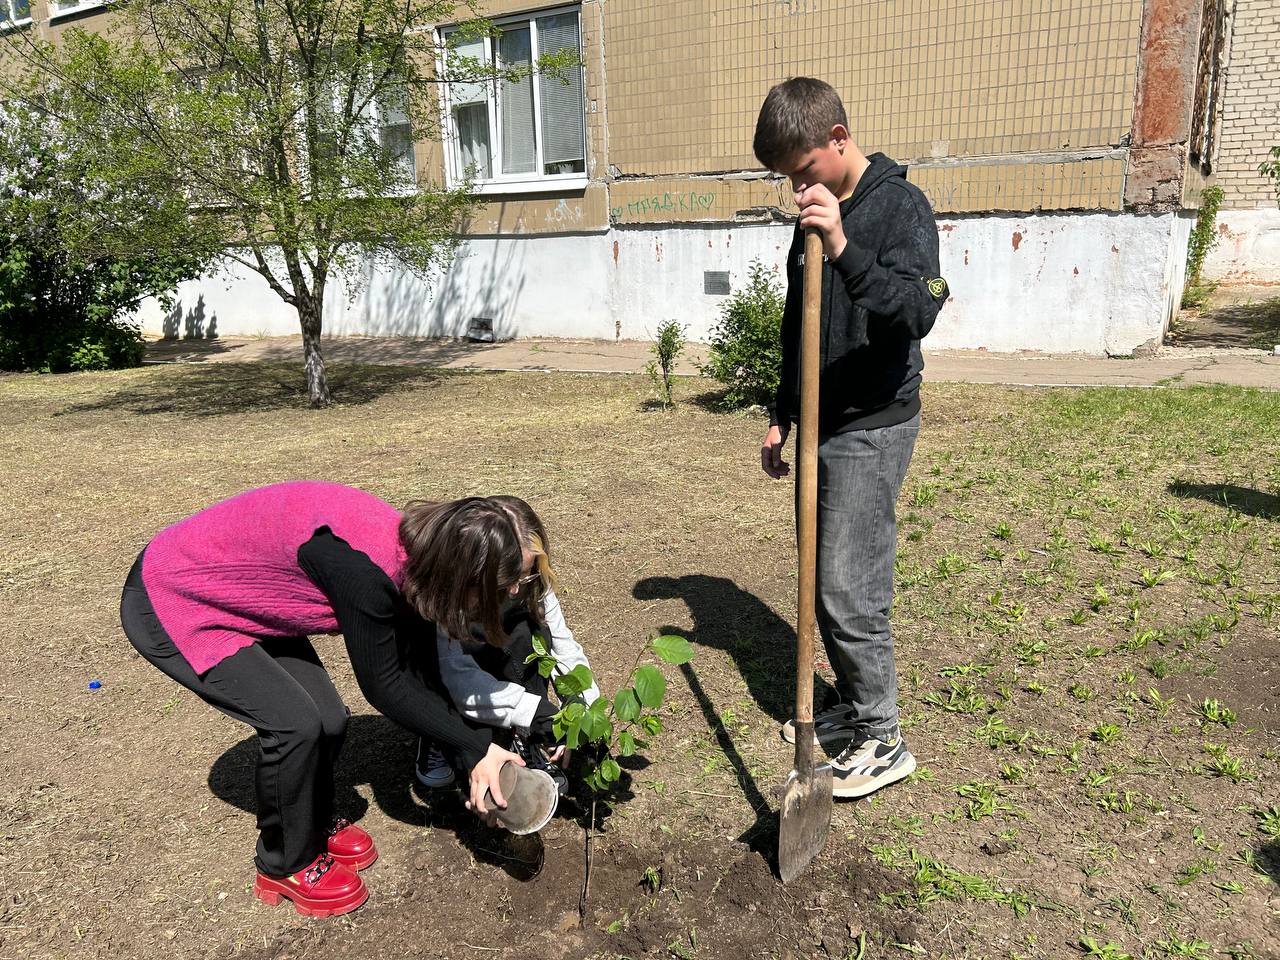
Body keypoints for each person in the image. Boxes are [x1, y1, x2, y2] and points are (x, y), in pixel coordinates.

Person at [119, 480, 535, 917]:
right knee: (294, 724)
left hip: (248, 594)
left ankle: (311, 820)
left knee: (330, 719)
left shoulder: (422, 562)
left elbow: (421, 673)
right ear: (462, 575)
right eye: (500, 586)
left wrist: (473, 754)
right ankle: (284, 863)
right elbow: (387, 686)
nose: (511, 594)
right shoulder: (365, 573)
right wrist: (472, 746)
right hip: (175, 595)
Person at [752, 77, 948, 799]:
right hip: (821, 424)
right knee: (818, 577)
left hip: (873, 424)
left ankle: (884, 735)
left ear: (839, 137)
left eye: (804, 170)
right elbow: (794, 322)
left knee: (848, 585)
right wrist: (783, 409)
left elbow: (917, 310)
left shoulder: (900, 208)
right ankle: (852, 709)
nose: (798, 187)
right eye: (788, 179)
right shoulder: (807, 218)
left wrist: (841, 244)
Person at [415, 496, 598, 797]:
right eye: (511, 575)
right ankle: (439, 735)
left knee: (533, 634)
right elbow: (457, 675)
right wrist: (535, 712)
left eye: (527, 573)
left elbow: (563, 646)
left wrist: (579, 705)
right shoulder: (453, 594)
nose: (517, 587)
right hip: (460, 667)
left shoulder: (532, 584)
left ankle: (525, 736)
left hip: (497, 654)